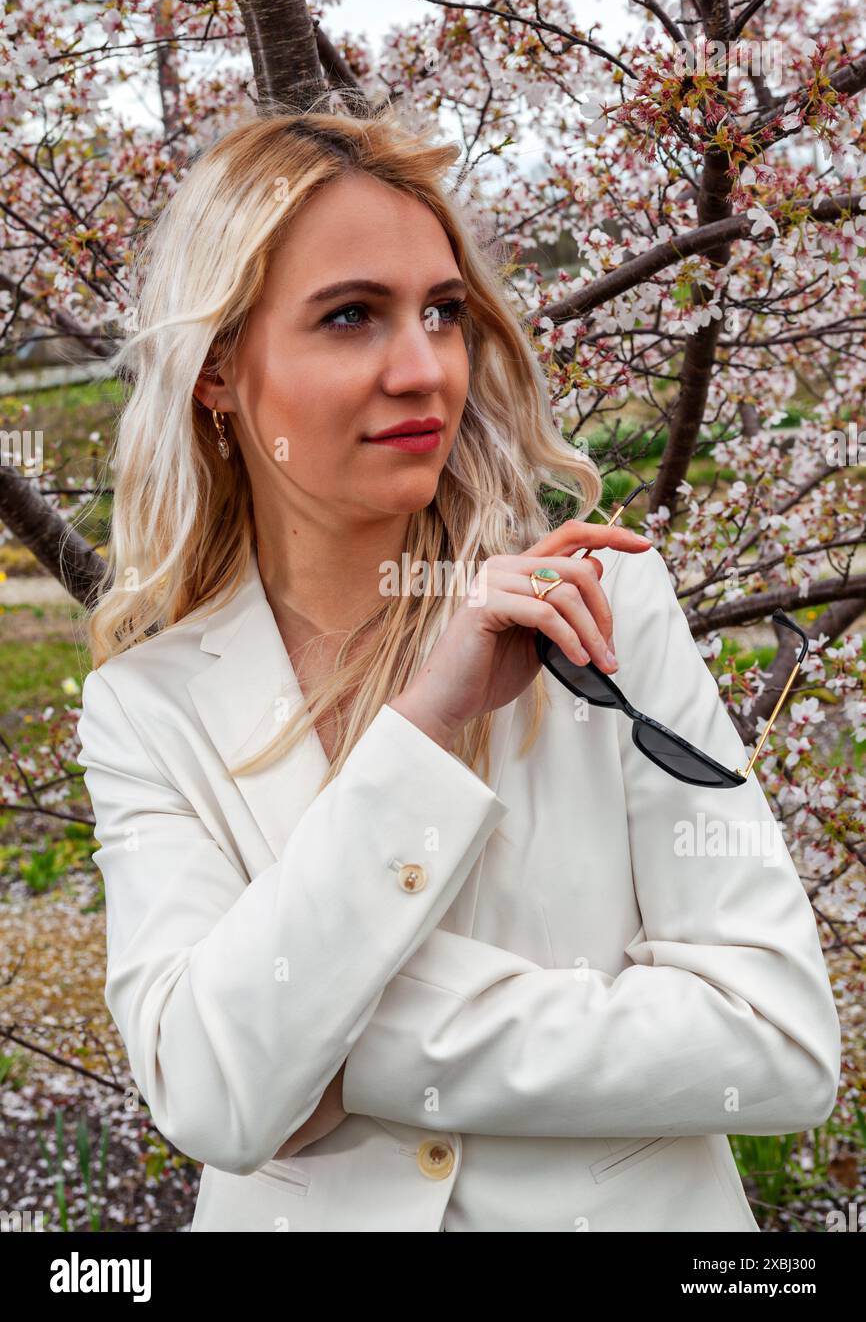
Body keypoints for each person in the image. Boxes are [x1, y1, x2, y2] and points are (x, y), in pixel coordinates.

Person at [74, 100, 840, 1233]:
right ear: (218, 373)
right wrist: (425, 720)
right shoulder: (146, 708)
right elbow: (208, 1096)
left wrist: (328, 1043)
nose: (422, 367)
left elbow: (776, 1041)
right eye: (349, 317)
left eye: (441, 311)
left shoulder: (602, 609)